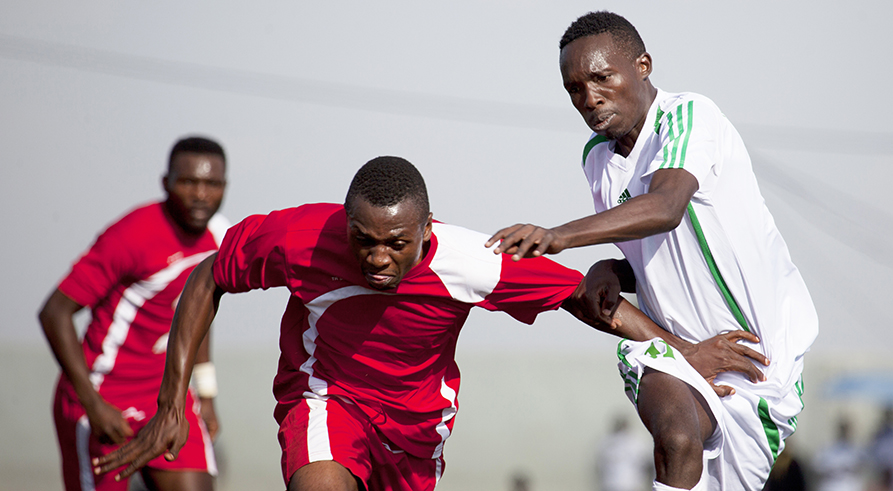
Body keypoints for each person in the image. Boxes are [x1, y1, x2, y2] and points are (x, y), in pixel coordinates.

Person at [92, 156, 764, 491]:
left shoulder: (471, 259)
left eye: (396, 243)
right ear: (346, 224)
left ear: (425, 228)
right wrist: (170, 399)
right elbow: (210, 275)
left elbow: (587, 300)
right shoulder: (298, 237)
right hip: (324, 398)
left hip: (418, 423)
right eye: (363, 240)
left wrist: (679, 350)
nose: (378, 258)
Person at [487, 11, 818, 491]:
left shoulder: (688, 116)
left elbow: (664, 208)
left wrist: (558, 236)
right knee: (678, 439)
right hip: (673, 352)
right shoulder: (596, 158)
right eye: (574, 89)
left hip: (757, 363)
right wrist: (610, 269)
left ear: (643, 65)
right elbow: (661, 259)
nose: (589, 97)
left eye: (602, 77)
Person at [38, 136, 229, 491]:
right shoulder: (132, 235)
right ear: (166, 183)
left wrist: (206, 394)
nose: (201, 194)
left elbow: (198, 318)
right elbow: (55, 313)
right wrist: (93, 404)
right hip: (103, 397)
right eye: (188, 182)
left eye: (212, 184)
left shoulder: (219, 237)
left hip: (166, 396)